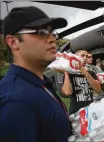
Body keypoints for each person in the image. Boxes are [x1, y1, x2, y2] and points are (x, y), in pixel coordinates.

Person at [0, 6, 72, 142]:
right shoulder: (16, 101)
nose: (52, 39)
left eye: (52, 32)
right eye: (41, 32)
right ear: (13, 42)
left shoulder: (40, 83)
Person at [61, 49, 101, 114]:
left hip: (90, 111)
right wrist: (66, 72)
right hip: (76, 113)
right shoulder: (70, 74)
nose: (85, 58)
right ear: (75, 58)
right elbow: (68, 92)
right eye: (82, 56)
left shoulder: (91, 73)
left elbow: (98, 89)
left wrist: (85, 72)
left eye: (86, 56)